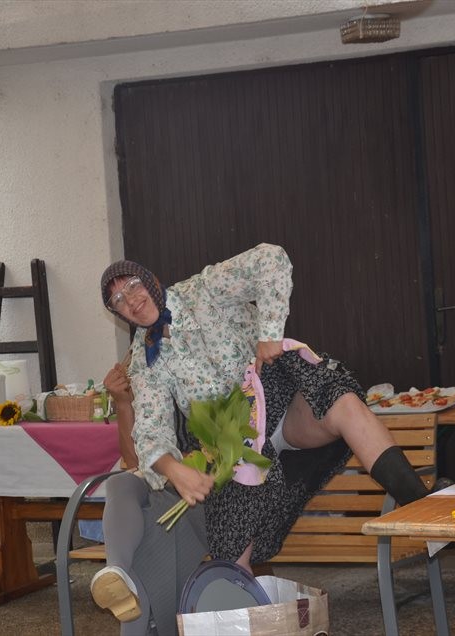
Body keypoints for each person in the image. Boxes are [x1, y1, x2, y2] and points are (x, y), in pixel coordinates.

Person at [91, 243, 429, 634]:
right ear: (117, 314)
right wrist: (174, 469)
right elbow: (150, 430)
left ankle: (421, 509)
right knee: (232, 550)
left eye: (132, 286)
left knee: (340, 402)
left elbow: (270, 259)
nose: (130, 300)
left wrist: (269, 333)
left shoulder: (204, 290)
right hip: (235, 447)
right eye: (118, 300)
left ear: (151, 281)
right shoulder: (145, 359)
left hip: (279, 403)